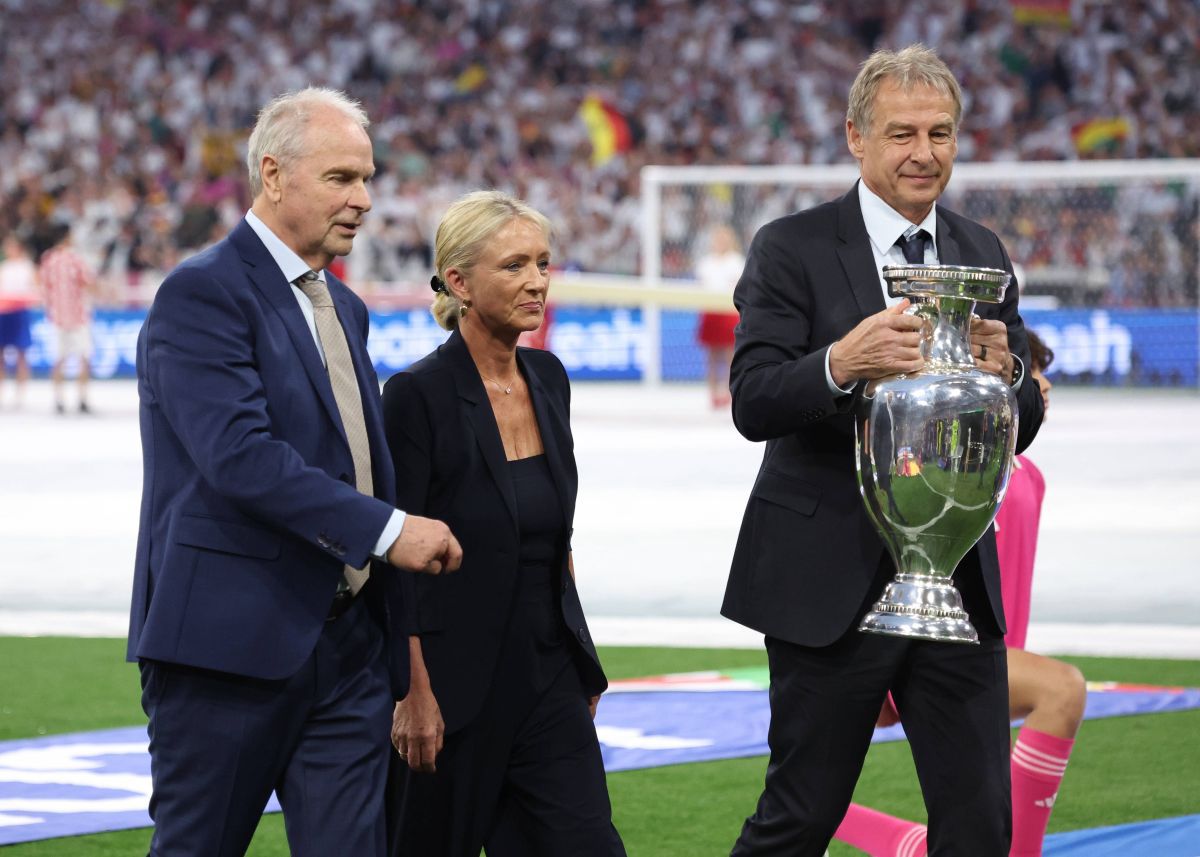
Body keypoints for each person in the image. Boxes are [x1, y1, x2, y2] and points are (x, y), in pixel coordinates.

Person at [722, 44, 1045, 856]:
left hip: (954, 586)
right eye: (901, 133)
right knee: (800, 815)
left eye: (940, 133)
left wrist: (1006, 379)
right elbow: (754, 398)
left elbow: (1022, 422)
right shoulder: (790, 246)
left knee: (980, 826)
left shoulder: (983, 251)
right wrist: (841, 363)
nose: (923, 153)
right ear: (856, 138)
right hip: (830, 580)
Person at [128, 87, 462, 857]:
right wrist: (387, 532)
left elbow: (366, 470)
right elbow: (239, 456)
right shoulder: (201, 293)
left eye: (368, 178)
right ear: (273, 175)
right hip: (225, 650)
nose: (365, 200)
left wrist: (398, 646)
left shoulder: (344, 308)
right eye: (342, 178)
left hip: (345, 654)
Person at [382, 190, 625, 857]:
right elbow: (394, 562)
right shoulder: (416, 396)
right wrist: (413, 694)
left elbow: (558, 542)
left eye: (543, 263)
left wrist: (582, 661)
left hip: (547, 676)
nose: (537, 281)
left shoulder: (549, 378)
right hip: (451, 691)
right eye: (515, 265)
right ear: (459, 281)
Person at [834, 330, 1085, 857]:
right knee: (1062, 691)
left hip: (989, 650)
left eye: (1036, 373)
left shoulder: (1028, 475)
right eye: (1033, 372)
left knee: (970, 823)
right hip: (932, 642)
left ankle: (841, 823)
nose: (1044, 386)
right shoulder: (954, 468)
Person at [38, 224, 97, 414]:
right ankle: (82, 399)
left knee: (59, 359)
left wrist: (50, 308)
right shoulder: (75, 259)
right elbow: (89, 283)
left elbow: (43, 287)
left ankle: (58, 400)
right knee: (84, 358)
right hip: (78, 316)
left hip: (58, 317)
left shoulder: (48, 259)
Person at [694, 224, 745, 408]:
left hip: (729, 311)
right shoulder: (706, 263)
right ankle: (713, 392)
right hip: (711, 311)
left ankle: (730, 391)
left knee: (731, 354)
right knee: (712, 354)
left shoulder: (736, 261)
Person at [0, 235, 37, 410]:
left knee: (22, 353)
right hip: (3, 312)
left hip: (19, 311)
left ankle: (20, 393)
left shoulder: (26, 267)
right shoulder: (4, 267)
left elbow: (34, 289)